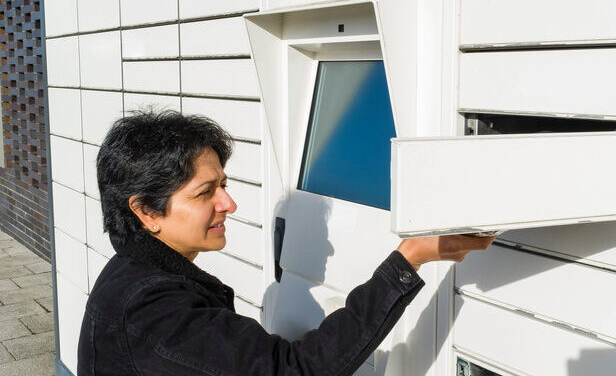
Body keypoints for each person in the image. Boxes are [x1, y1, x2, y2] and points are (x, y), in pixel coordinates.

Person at [77, 110, 494, 375]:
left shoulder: (135, 276)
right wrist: (410, 258)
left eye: (224, 184)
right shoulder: (154, 310)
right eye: (206, 193)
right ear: (146, 211)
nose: (229, 203)